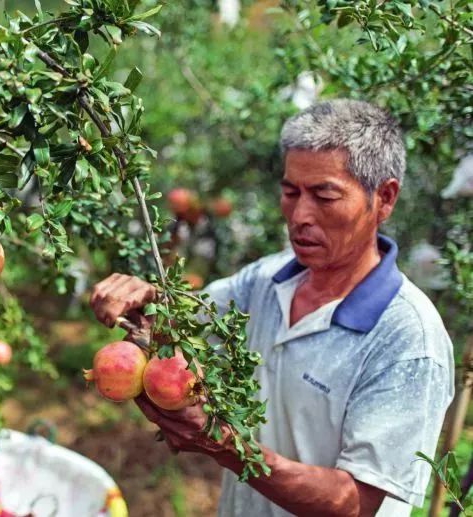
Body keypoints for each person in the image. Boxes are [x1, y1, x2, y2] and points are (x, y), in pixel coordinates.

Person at [90, 99, 455, 517]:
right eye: (290, 192)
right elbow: (178, 320)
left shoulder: (408, 340)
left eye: (325, 196)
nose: (299, 215)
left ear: (384, 198)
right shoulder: (267, 280)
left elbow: (353, 503)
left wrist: (223, 445)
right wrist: (140, 297)